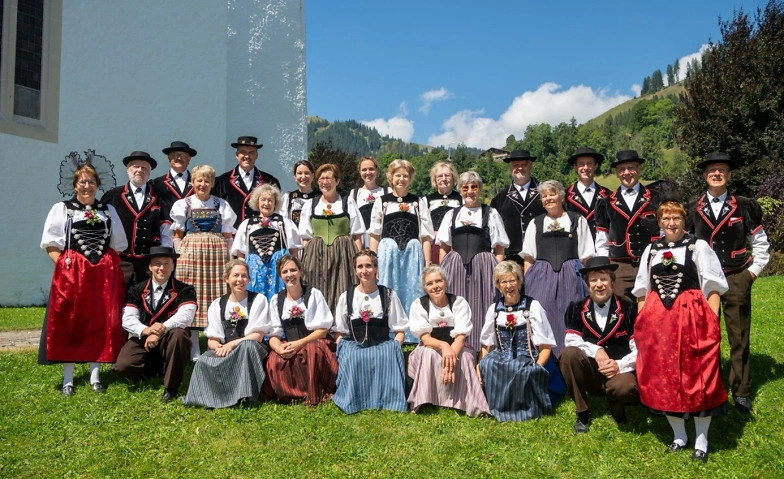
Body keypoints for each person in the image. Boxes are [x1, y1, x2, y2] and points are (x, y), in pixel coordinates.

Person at [633, 201, 729, 463]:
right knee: (663, 376)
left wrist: (712, 319)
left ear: (684, 220)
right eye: (666, 218)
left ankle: (701, 439)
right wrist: (642, 320)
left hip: (691, 319)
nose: (671, 223)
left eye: (676, 218)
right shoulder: (651, 250)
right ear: (659, 222)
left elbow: (713, 286)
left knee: (698, 376)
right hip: (658, 323)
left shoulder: (698, 246)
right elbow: (642, 289)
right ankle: (679, 436)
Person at [685, 151, 770, 414]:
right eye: (712, 171)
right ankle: (707, 385)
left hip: (736, 276)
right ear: (704, 176)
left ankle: (741, 389)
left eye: (721, 170)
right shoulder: (692, 208)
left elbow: (761, 243)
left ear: (729, 175)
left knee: (739, 335)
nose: (717, 174)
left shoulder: (744, 205)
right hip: (704, 280)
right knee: (703, 335)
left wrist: (751, 274)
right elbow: (685, 245)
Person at [40, 160, 128, 396]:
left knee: (100, 320)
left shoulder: (107, 210)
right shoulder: (62, 209)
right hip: (73, 275)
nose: (86, 186)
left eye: (91, 182)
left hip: (101, 276)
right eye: (82, 182)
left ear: (97, 184)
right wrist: (65, 268)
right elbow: (51, 244)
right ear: (75, 185)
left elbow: (117, 245)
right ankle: (68, 379)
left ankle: (95, 376)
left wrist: (104, 266)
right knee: (70, 320)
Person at [560, 256, 639, 434]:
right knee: (568, 354)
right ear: (587, 284)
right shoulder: (577, 307)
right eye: (594, 280)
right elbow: (571, 340)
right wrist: (597, 350)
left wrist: (618, 365)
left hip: (619, 371)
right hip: (591, 372)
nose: (599, 285)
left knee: (625, 388)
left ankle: (616, 404)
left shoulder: (628, 307)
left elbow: (639, 347)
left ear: (612, 281)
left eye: (603, 279)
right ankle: (582, 411)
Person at [478, 261, 561, 422]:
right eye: (504, 282)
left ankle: (521, 410)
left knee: (518, 368)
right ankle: (498, 407)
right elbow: (486, 344)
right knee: (489, 364)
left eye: (512, 280)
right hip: (501, 353)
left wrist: (538, 366)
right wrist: (480, 363)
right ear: (498, 286)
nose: (508, 286)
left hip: (527, 354)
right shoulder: (494, 309)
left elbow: (545, 346)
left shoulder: (532, 306)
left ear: (519, 282)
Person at [182, 260, 271, 409]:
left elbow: (258, 335)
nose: (240, 280)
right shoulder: (217, 304)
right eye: (235, 275)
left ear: (249, 279)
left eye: (244, 276)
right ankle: (208, 397)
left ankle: (245, 395)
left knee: (247, 347)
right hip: (226, 349)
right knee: (203, 360)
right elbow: (212, 338)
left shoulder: (258, 300)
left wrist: (231, 345)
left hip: (252, 348)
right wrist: (217, 347)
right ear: (226, 279)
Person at [170, 165, 237, 362]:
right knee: (193, 298)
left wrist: (231, 259)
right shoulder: (183, 204)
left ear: (212, 183)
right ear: (192, 182)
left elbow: (228, 235)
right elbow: (177, 235)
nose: (202, 184)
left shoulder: (221, 204)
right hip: (190, 255)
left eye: (207, 181)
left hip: (216, 256)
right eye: (199, 180)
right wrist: (180, 255)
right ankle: (194, 351)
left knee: (215, 298)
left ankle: (213, 345)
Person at [437, 171, 508, 353]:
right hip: (455, 266)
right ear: (460, 190)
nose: (469, 191)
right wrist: (441, 274)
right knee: (456, 305)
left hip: (484, 267)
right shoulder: (451, 215)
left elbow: (499, 248)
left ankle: (483, 352)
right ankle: (457, 349)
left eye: (474, 187)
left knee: (483, 306)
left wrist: (498, 274)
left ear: (480, 189)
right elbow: (444, 247)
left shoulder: (490, 213)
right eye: (465, 187)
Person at [521, 180, 594, 357]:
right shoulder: (536, 223)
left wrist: (588, 283)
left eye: (552, 194)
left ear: (561, 196)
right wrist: (528, 285)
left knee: (571, 315)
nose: (548, 198)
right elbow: (528, 258)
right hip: (541, 277)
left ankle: (570, 359)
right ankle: (546, 361)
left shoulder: (577, 220)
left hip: (571, 275)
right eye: (544, 196)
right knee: (542, 316)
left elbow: (587, 256)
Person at [114, 246, 196, 402]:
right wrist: (146, 330)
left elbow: (186, 316)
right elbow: (128, 318)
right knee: (124, 365)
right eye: (157, 263)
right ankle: (159, 367)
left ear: (173, 266)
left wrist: (159, 331)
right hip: (145, 336)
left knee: (179, 334)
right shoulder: (136, 289)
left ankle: (171, 387)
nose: (162, 268)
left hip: (171, 337)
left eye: (166, 263)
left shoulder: (185, 289)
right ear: (150, 267)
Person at [332, 250, 409, 414]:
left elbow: (400, 330)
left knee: (387, 354)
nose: (364, 270)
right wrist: (344, 348)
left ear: (376, 269)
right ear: (355, 270)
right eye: (360, 267)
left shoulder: (388, 295)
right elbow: (339, 332)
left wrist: (394, 346)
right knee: (354, 356)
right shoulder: (347, 296)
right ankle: (354, 400)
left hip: (381, 344)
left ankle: (389, 400)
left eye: (368, 266)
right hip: (355, 344)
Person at [407, 266, 490, 417]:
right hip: (431, 345)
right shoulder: (419, 305)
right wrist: (443, 345)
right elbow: (425, 338)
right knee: (428, 355)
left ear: (445, 282)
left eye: (438, 281)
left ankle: (470, 402)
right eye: (430, 283)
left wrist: (450, 358)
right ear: (425, 287)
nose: (435, 286)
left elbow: (461, 336)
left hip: (457, 345)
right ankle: (424, 399)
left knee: (464, 358)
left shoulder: (458, 302)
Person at [369, 159, 434, 342]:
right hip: (388, 253)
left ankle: (413, 333)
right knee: (388, 288)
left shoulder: (418, 202)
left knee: (413, 288)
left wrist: (427, 262)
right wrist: (373, 262)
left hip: (412, 254)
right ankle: (390, 331)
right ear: (391, 177)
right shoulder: (382, 202)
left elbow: (425, 236)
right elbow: (374, 234)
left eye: (405, 176)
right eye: (398, 175)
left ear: (410, 178)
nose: (401, 179)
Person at [264, 255, 338, 405]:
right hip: (290, 343)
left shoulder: (313, 294)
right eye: (285, 272)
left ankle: (314, 391)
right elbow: (274, 334)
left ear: (300, 271)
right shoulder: (276, 300)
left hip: (313, 340)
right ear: (280, 275)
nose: (289, 274)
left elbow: (322, 331)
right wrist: (279, 349)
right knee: (274, 359)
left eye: (293, 270)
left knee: (312, 351)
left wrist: (299, 343)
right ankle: (288, 394)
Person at [595, 150, 661, 301]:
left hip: (651, 262)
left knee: (653, 308)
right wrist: (605, 268)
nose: (626, 173)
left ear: (639, 169)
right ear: (617, 173)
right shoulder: (605, 203)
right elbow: (602, 240)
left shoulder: (656, 198)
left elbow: (664, 232)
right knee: (622, 308)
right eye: (621, 169)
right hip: (620, 267)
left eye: (631, 168)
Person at [299, 163, 364, 312]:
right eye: (321, 179)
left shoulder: (347, 202)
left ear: (337, 181)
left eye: (329, 178)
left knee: (343, 289)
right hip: (317, 255)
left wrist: (358, 260)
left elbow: (356, 235)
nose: (325, 182)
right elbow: (305, 237)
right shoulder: (311, 205)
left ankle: (340, 322)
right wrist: (308, 258)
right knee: (316, 288)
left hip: (344, 254)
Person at [101, 151, 171, 286]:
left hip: (149, 262)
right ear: (128, 170)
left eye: (144, 167)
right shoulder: (113, 195)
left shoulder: (160, 197)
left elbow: (166, 228)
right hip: (121, 260)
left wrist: (163, 255)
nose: (140, 170)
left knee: (147, 296)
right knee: (118, 295)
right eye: (136, 166)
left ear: (149, 172)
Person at [232, 184, 302, 299]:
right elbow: (240, 255)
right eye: (263, 199)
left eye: (270, 200)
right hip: (254, 271)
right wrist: (244, 273)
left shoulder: (284, 223)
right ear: (257, 202)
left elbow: (293, 252)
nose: (266, 203)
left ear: (275, 203)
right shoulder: (247, 225)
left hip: (278, 269)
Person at [490, 149, 545, 267]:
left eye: (524, 165)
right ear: (510, 168)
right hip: (511, 260)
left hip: (541, 257)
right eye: (516, 165)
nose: (520, 168)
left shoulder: (544, 193)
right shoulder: (500, 199)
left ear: (530, 166)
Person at [213, 135, 281, 229]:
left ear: (256, 155)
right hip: (231, 235)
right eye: (243, 152)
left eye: (251, 152)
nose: (247, 156)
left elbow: (277, 211)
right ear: (237, 155)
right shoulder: (222, 181)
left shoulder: (270, 181)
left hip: (260, 234)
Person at [564, 147, 611, 239]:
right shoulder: (564, 196)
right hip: (575, 246)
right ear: (575, 167)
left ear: (596, 166)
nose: (585, 167)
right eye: (581, 164)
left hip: (601, 246)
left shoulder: (608, 195)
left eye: (589, 163)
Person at [424, 162, 462, 265]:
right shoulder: (426, 201)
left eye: (447, 175)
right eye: (440, 176)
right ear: (435, 179)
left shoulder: (461, 199)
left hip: (455, 245)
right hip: (434, 245)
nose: (444, 179)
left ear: (453, 178)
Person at [349, 156, 390, 248]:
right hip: (363, 240)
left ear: (376, 170)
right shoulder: (354, 194)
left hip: (383, 239)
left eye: (371, 169)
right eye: (364, 170)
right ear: (359, 172)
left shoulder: (387, 191)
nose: (368, 172)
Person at [152, 141, 196, 225]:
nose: (178, 158)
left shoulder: (198, 182)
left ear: (189, 159)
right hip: (166, 230)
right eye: (174, 155)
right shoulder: (156, 184)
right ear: (169, 158)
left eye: (183, 155)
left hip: (193, 230)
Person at [280, 159, 316, 228]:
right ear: (295, 177)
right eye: (299, 173)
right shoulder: (288, 198)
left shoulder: (320, 197)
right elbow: (283, 221)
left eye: (307, 173)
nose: (303, 177)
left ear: (312, 175)